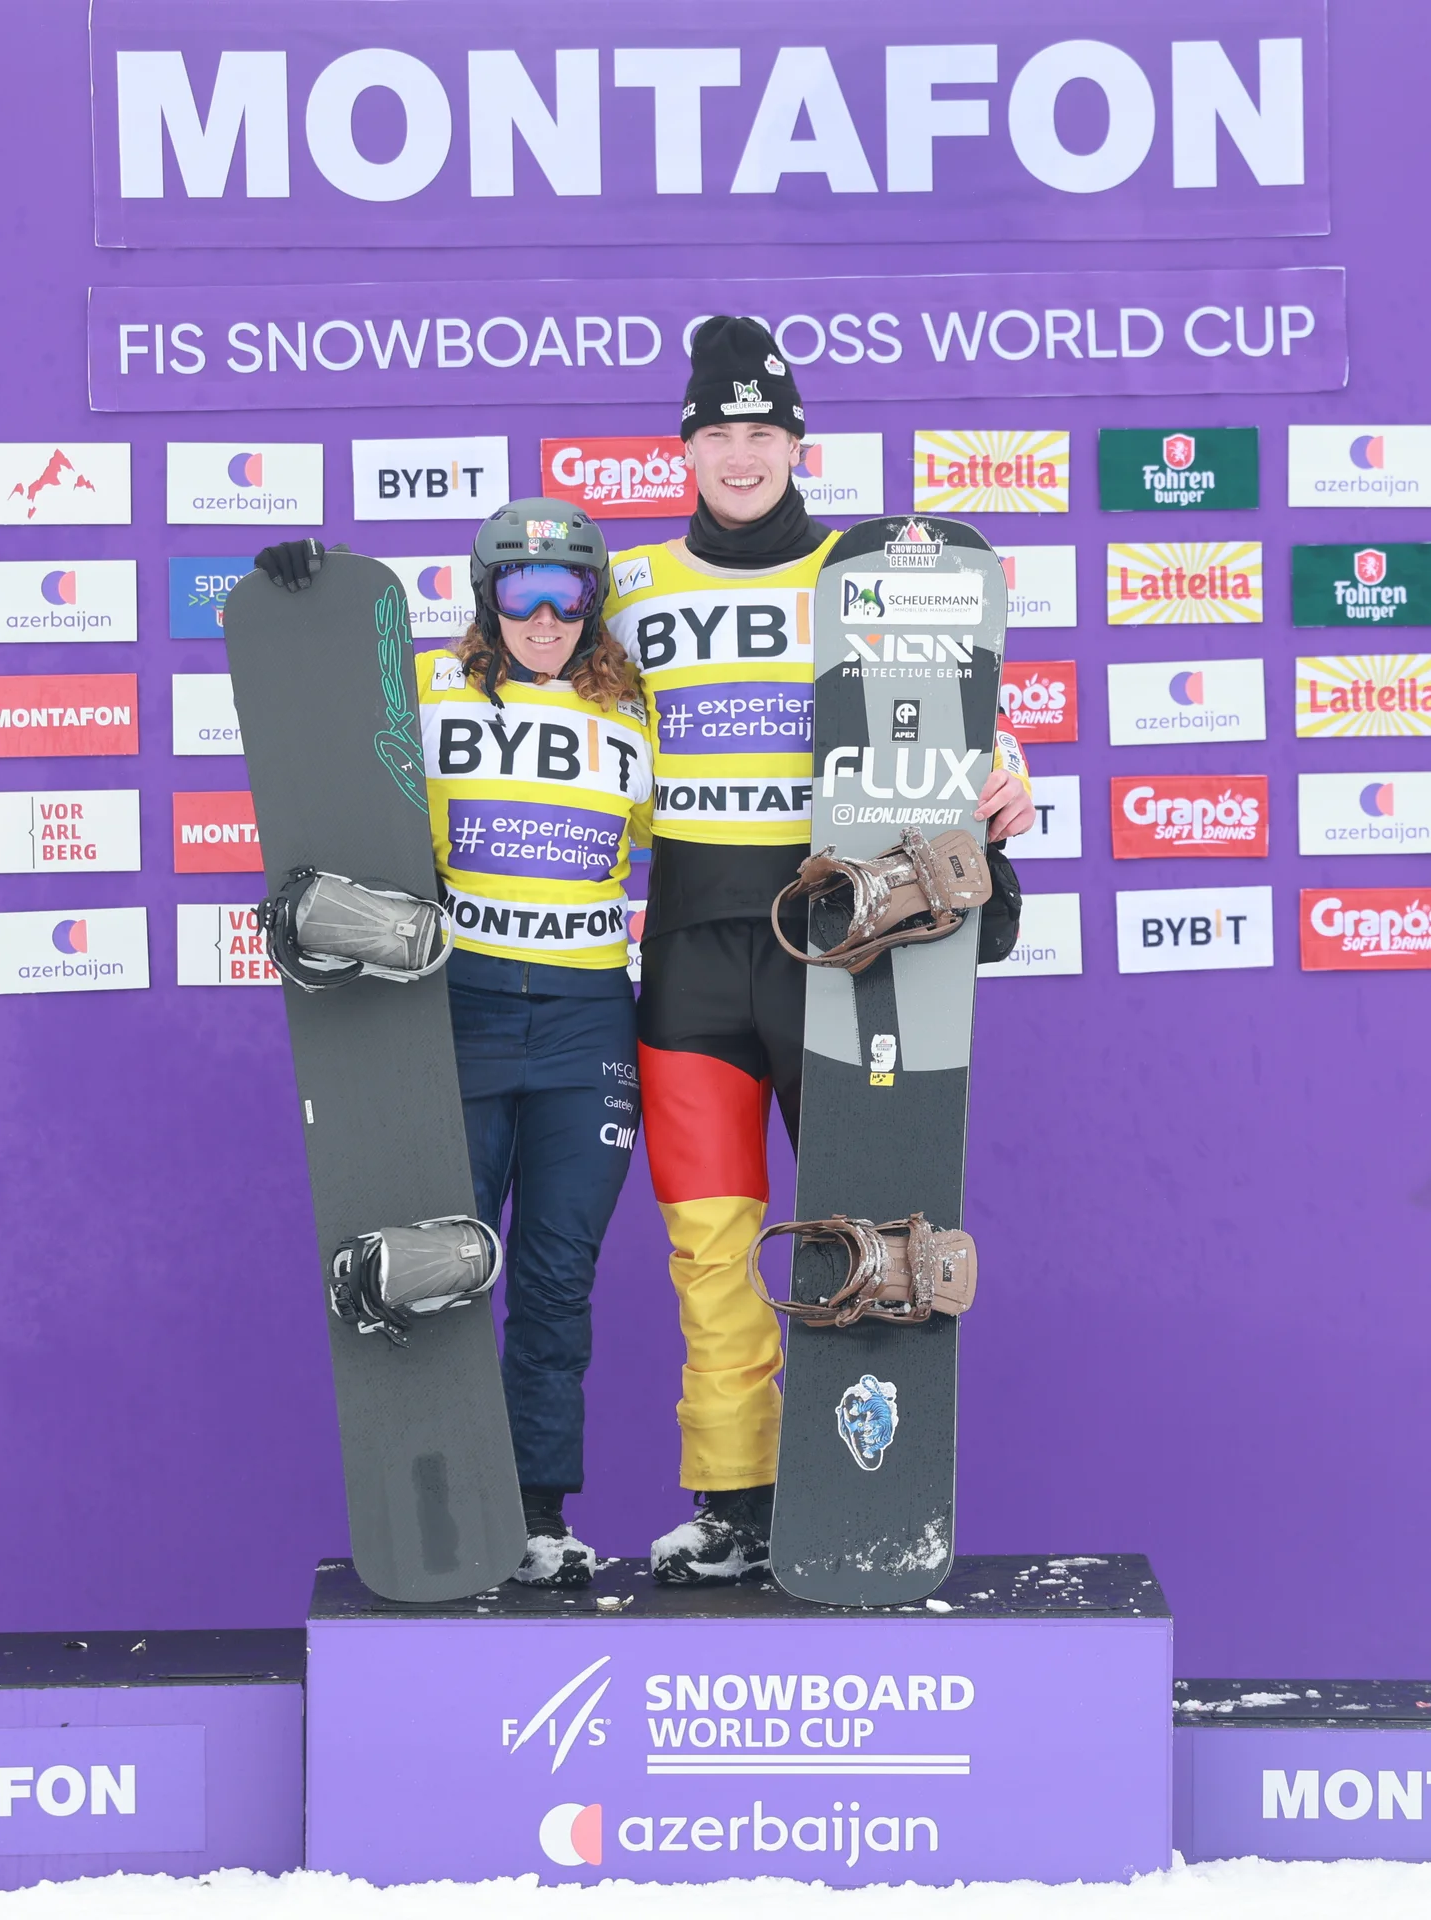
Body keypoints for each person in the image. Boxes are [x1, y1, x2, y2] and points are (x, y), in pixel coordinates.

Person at [606, 316, 1036, 1584]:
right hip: (687, 948)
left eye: (764, 433)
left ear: (798, 443)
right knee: (711, 1243)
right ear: (685, 446)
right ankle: (736, 1501)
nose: (742, 457)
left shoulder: (864, 576)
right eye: (719, 434)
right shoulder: (629, 587)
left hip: (835, 932)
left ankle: (868, 1485)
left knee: (864, 1217)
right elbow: (532, 693)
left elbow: (953, 729)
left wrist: (1004, 784)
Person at [253, 501, 650, 1589]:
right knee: (442, 1259)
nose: (542, 618)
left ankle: (533, 1514)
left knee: (558, 1277)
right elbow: (328, 743)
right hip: (459, 1011)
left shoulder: (636, 716)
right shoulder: (428, 692)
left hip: (586, 1027)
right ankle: (442, 1507)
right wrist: (306, 597)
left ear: (594, 603)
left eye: (566, 595)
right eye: (519, 595)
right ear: (486, 600)